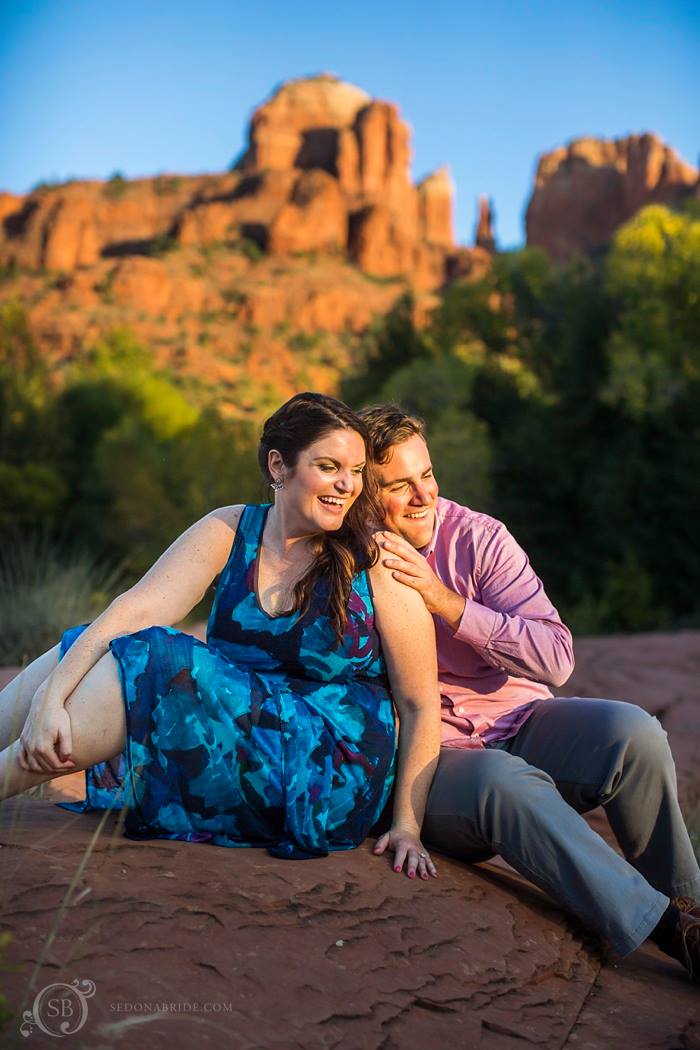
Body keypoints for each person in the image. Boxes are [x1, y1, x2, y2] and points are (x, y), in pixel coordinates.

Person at [0, 393, 441, 877]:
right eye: (329, 466)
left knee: (162, 658)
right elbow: (135, 608)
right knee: (92, 640)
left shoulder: (375, 559)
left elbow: (419, 702)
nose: (347, 484)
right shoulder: (233, 529)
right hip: (236, 738)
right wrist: (50, 697)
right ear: (279, 465)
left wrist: (408, 827)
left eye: (356, 471)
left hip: (327, 772)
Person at [360, 403, 700, 979]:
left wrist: (447, 602)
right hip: (434, 764)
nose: (424, 497)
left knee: (633, 732)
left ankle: (688, 906)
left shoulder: (479, 538)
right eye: (399, 485)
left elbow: (557, 659)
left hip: (520, 723)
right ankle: (671, 936)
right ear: (366, 494)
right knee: (503, 781)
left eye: (428, 475)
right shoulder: (344, 562)